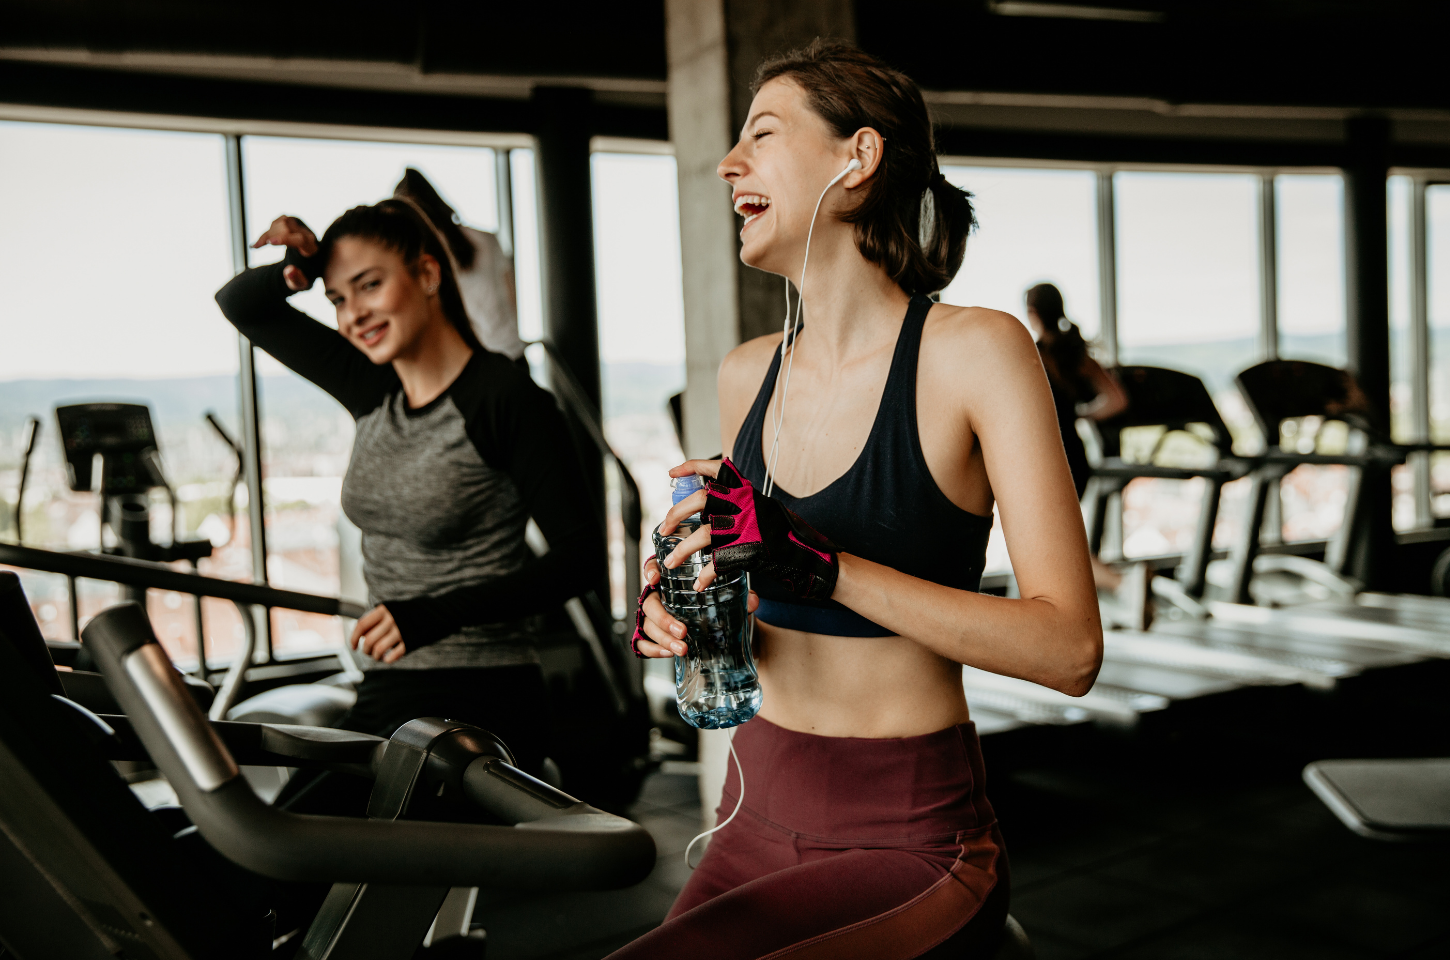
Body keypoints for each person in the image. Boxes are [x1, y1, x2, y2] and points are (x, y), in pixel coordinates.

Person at [618, 40, 1102, 959]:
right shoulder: (744, 375)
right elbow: (756, 586)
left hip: (911, 836)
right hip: (749, 808)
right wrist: (682, 606)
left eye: (761, 134)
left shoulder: (975, 351)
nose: (728, 163)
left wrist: (827, 567)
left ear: (858, 158)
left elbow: (1069, 649)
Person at [214, 199, 604, 778]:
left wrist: (432, 615)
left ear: (426, 275)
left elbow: (581, 560)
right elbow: (241, 304)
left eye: (368, 286)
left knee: (292, 845)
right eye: (338, 299)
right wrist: (298, 266)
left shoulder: (506, 399)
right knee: (255, 828)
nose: (352, 315)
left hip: (481, 696)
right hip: (391, 687)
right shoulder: (374, 386)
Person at [1024, 283, 1150, 618]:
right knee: (1054, 540)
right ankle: (1100, 595)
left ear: (1033, 313)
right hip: (1077, 455)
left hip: (1046, 456)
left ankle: (1122, 583)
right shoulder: (1075, 352)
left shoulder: (1034, 355)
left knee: (1052, 545)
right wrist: (1080, 413)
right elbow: (1117, 399)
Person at [394, 167, 527, 366]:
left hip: (475, 360)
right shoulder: (486, 238)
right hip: (512, 350)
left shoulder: (425, 254)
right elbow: (511, 296)